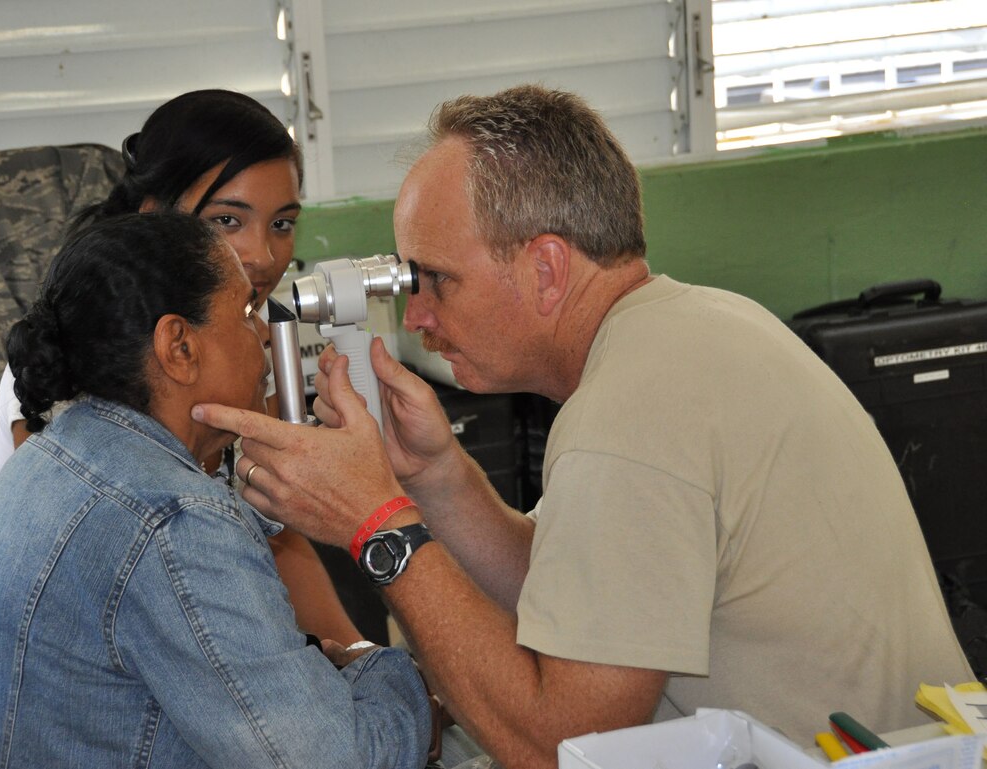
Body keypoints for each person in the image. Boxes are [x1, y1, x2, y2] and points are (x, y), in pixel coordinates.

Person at [192, 84, 974, 768]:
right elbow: (602, 600)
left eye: (436, 280)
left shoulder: (631, 411)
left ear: (546, 268)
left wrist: (378, 525)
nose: (419, 315)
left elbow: (558, 745)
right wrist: (438, 480)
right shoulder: (696, 327)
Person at [0, 213, 432, 769]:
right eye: (249, 313)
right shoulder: (176, 520)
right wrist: (396, 682)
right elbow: (346, 761)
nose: (265, 341)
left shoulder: (50, 453)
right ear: (179, 346)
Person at [0, 89, 366, 646]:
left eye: (282, 224)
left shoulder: (241, 351)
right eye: (226, 221)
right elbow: (107, 583)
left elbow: (276, 536)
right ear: (153, 217)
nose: (262, 255)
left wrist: (356, 652)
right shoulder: (75, 368)